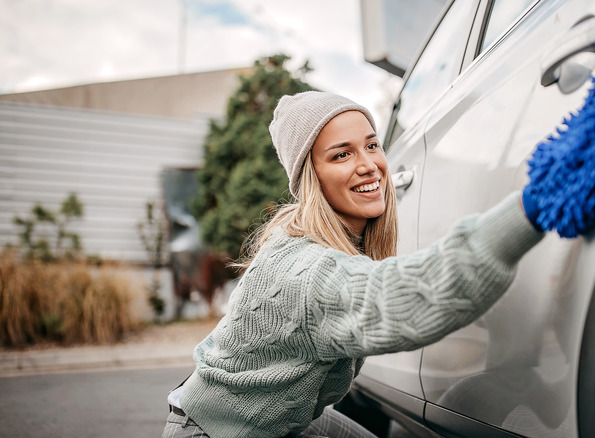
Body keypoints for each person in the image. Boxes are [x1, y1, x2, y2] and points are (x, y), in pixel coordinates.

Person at [162, 91, 545, 438]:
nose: (369, 166)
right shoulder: (304, 269)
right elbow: (408, 300)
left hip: (263, 423)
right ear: (312, 178)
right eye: (341, 154)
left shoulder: (333, 248)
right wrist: (531, 206)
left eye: (372, 145)